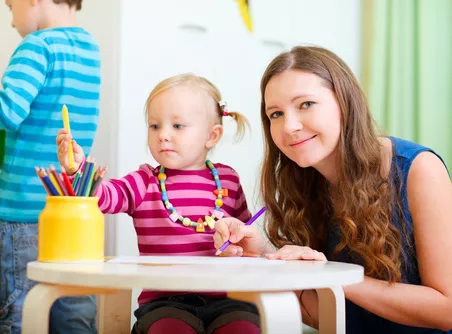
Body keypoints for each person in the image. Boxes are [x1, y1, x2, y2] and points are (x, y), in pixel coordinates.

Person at [213, 46, 452, 334]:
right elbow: (326, 316)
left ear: (345, 103)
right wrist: (262, 258)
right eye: (275, 114)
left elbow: (447, 309)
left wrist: (333, 275)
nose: (289, 126)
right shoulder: (302, 185)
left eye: (306, 104)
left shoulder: (418, 169)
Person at [56, 73, 261, 334]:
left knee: (245, 329)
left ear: (212, 135)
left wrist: (244, 240)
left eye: (177, 126)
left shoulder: (228, 180)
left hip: (228, 300)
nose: (163, 135)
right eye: (154, 126)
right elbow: (104, 198)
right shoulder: (145, 180)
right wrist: (77, 170)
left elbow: (247, 238)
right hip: (164, 304)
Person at [0, 0, 101, 333]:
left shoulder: (37, 46)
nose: (10, 17)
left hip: (23, 216)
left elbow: (8, 111)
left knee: (21, 314)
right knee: (73, 315)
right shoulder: (90, 49)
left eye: (9, 5)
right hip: (73, 214)